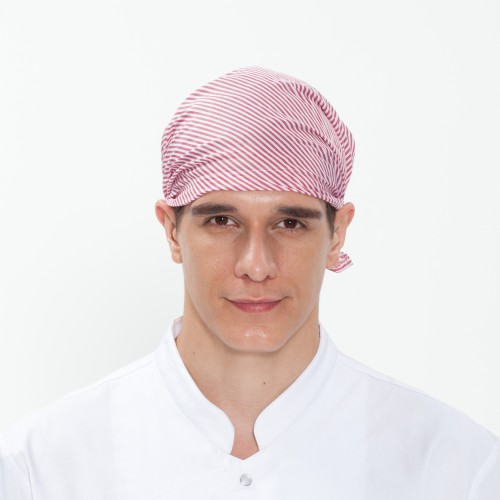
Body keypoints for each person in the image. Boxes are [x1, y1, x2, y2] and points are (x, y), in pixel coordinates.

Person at [1, 66, 499, 499]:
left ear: (337, 235)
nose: (256, 265)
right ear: (172, 231)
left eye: (290, 223)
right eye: (222, 221)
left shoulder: (455, 468)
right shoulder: (41, 468)